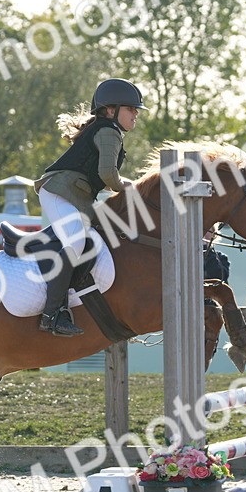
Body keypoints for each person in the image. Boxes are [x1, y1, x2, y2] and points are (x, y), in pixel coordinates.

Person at [32, 78, 146, 337]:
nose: (136, 114)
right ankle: (52, 314)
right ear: (111, 110)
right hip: (60, 192)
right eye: (130, 108)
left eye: (136, 109)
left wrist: (124, 185)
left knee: (102, 235)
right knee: (75, 242)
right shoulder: (109, 131)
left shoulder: (106, 129)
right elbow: (108, 175)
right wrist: (127, 186)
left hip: (75, 195)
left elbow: (102, 177)